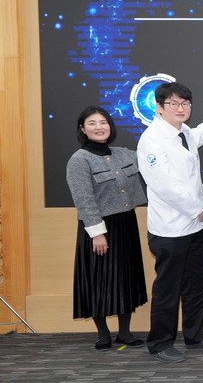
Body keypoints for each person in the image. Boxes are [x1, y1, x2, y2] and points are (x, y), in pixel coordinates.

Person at [137, 82, 203, 363]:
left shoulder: (183, 132)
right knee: (168, 289)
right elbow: (164, 186)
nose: (180, 108)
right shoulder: (152, 140)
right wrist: (198, 209)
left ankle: (195, 335)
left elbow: (202, 133)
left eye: (185, 103)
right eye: (173, 104)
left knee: (196, 284)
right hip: (170, 229)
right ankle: (160, 343)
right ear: (159, 108)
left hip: (194, 226)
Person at [66, 106, 148, 350]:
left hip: (126, 224)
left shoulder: (124, 154)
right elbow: (84, 199)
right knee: (98, 280)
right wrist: (97, 233)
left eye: (103, 122)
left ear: (110, 126)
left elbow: (154, 160)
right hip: (99, 228)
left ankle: (125, 333)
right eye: (92, 123)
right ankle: (103, 334)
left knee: (126, 278)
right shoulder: (79, 160)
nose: (99, 127)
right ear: (83, 129)